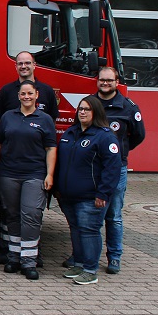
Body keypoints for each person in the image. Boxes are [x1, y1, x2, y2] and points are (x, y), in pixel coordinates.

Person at [0, 79, 58, 280]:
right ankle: (13, 257)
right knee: (11, 214)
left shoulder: (45, 119)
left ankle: (29, 261)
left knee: (30, 214)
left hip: (34, 174)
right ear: (18, 96)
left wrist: (49, 174)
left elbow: (51, 148)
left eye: (30, 93)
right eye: (23, 94)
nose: (26, 97)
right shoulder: (8, 117)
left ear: (37, 95)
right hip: (8, 173)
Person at [57, 96, 122, 286]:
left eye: (87, 109)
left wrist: (103, 194)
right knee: (76, 230)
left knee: (89, 231)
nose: (82, 112)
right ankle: (78, 264)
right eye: (80, 109)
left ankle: (90, 269)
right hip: (68, 195)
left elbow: (112, 169)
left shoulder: (105, 136)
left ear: (96, 112)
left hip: (91, 198)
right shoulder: (71, 133)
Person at [91, 65, 145, 274]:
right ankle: (85, 255)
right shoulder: (90, 103)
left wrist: (119, 152)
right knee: (89, 216)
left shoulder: (128, 107)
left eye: (109, 80)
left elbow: (138, 135)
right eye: (102, 80)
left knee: (113, 216)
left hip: (116, 170)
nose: (105, 84)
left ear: (116, 82)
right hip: (92, 168)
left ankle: (114, 257)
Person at [0, 51, 59, 122]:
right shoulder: (5, 91)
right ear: (16, 67)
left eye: (27, 63)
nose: (23, 66)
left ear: (34, 65)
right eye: (20, 63)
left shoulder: (47, 91)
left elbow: (52, 121)